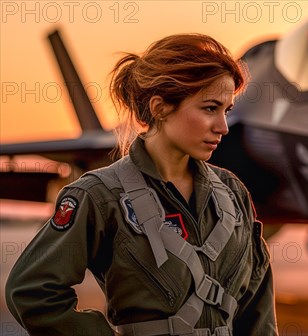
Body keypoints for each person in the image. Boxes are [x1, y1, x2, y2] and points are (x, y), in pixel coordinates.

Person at [5, 33, 278, 336]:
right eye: (210, 108)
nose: (223, 127)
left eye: (226, 111)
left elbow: (257, 302)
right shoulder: (100, 195)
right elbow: (32, 290)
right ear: (160, 108)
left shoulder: (232, 194)